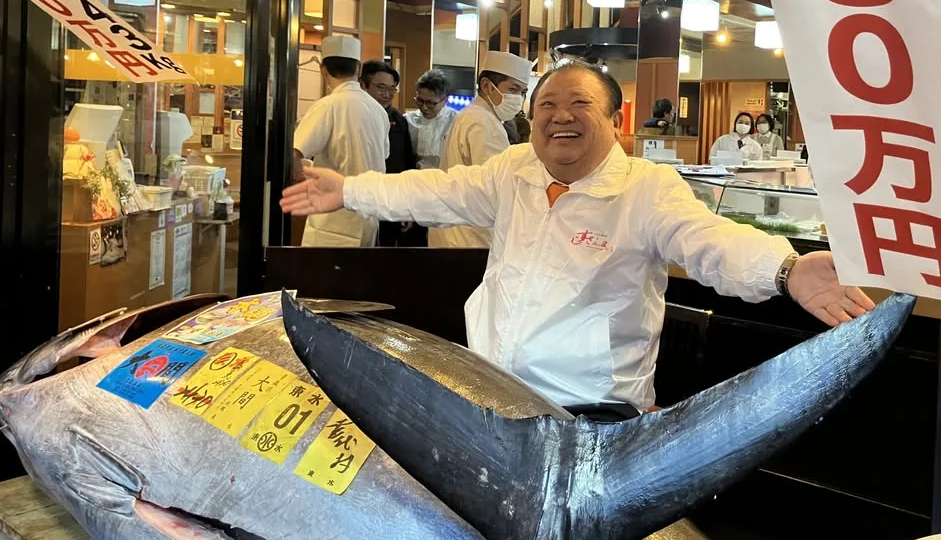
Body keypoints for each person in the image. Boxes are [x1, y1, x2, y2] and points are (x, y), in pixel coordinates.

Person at [281, 61, 874, 417]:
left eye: (579, 104)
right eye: (547, 105)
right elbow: (435, 189)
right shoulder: (514, 170)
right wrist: (350, 189)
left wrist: (785, 269)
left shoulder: (646, 187)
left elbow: (710, 240)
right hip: (491, 395)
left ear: (614, 120)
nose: (559, 115)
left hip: (591, 414)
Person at [428, 50, 532, 249]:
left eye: (522, 92)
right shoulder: (483, 122)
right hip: (470, 238)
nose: (518, 98)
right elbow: (498, 186)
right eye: (513, 89)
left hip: (457, 232)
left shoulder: (472, 115)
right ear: (486, 86)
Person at [291, 36, 388, 247]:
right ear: (359, 69)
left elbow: (294, 153)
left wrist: (302, 176)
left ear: (323, 70)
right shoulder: (378, 110)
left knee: (324, 269)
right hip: (369, 214)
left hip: (333, 219)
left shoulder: (328, 105)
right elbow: (383, 155)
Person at [361, 60, 418, 247]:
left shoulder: (398, 120)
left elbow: (407, 164)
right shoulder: (356, 115)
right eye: (381, 88)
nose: (387, 94)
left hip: (390, 201)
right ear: (363, 85)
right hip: (360, 197)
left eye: (392, 89)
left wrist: (407, 206)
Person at [404, 68, 458, 171]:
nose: (424, 107)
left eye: (430, 103)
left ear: (445, 101)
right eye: (420, 100)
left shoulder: (456, 121)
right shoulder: (407, 120)